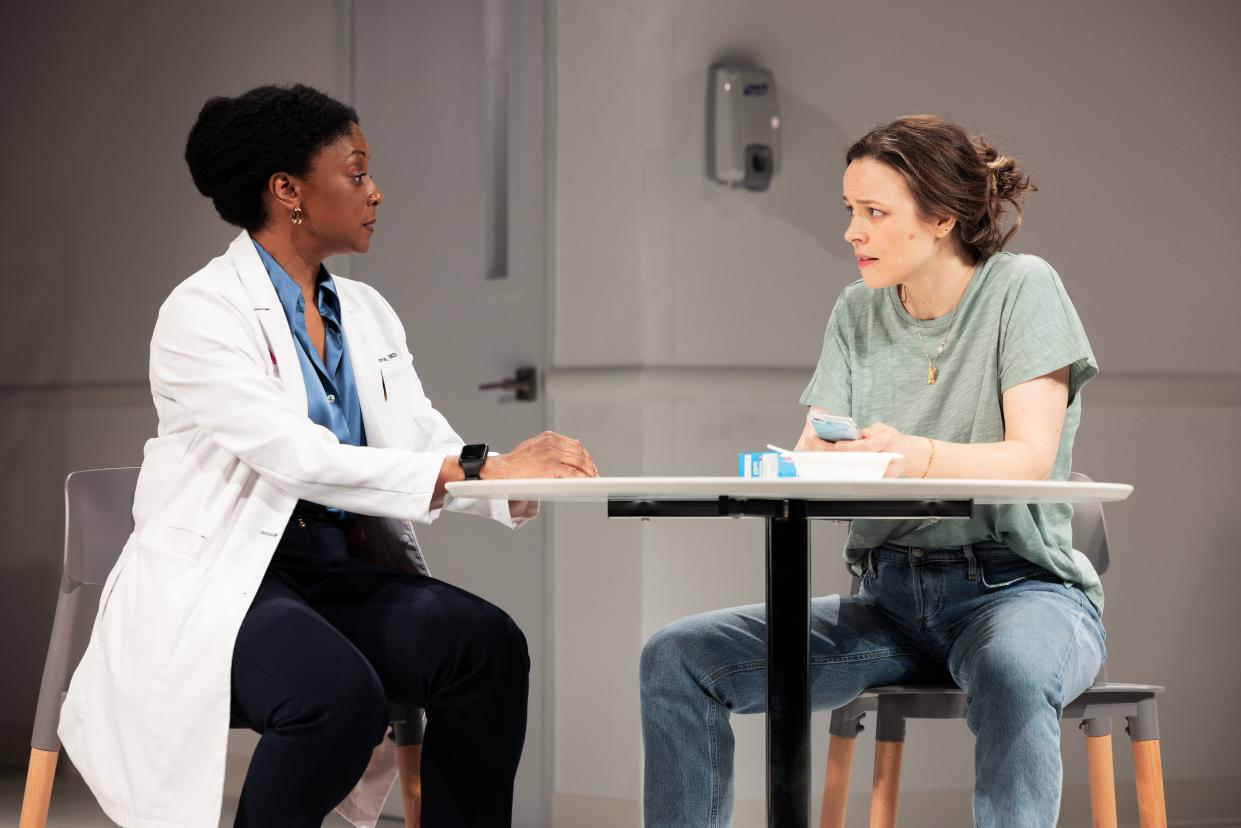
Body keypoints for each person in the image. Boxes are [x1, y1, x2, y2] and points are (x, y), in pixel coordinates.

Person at [58, 83, 597, 828]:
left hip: (336, 569)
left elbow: (422, 439)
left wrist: (505, 476)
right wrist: (475, 472)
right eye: (355, 172)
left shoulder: (366, 312)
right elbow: (296, 457)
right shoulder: (200, 312)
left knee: (487, 648)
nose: (375, 192)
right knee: (337, 699)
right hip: (229, 581)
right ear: (288, 191)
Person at [639, 115, 1105, 827]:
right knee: (676, 656)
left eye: (873, 213)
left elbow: (1029, 458)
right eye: (850, 211)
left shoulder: (1021, 288)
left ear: (942, 217)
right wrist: (814, 460)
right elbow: (814, 454)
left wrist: (909, 453)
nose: (851, 232)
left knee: (1012, 671)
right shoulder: (856, 312)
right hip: (885, 600)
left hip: (1018, 592)